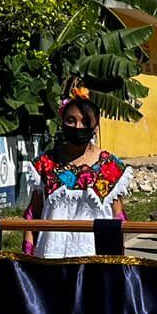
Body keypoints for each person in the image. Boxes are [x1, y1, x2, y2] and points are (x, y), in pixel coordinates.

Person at [26, 92, 131, 259]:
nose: (78, 127)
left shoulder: (110, 167)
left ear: (96, 126)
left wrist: (116, 263)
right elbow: (33, 216)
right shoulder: (45, 163)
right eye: (71, 120)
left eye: (85, 121)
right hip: (51, 258)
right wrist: (28, 255)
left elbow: (118, 219)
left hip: (94, 262)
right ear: (62, 122)